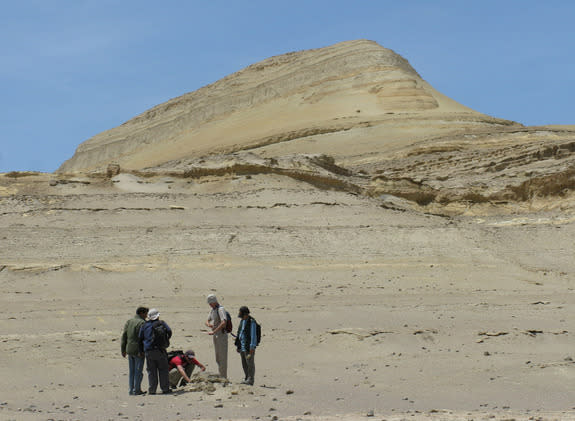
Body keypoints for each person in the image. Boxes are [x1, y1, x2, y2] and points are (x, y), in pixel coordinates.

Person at [139, 308, 173, 394]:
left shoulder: (144, 325)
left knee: (151, 371)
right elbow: (169, 331)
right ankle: (165, 389)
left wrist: (141, 350)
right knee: (163, 370)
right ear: (157, 316)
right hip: (160, 350)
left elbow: (140, 338)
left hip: (149, 350)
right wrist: (165, 341)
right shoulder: (162, 323)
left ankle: (152, 390)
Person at [121, 306, 148, 395]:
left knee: (131, 371)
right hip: (138, 351)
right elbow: (143, 338)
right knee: (138, 371)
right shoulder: (142, 323)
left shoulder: (129, 321)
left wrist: (123, 349)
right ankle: (137, 390)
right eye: (145, 313)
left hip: (129, 349)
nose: (146, 316)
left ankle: (131, 389)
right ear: (142, 313)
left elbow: (124, 336)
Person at [205, 294, 228, 378]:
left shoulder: (221, 309)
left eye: (211, 303)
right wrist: (209, 324)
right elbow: (207, 320)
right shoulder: (213, 310)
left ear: (214, 302)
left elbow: (223, 322)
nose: (210, 305)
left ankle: (224, 377)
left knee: (223, 357)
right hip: (216, 335)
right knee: (218, 357)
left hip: (221, 335)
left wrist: (214, 331)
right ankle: (221, 375)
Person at [235, 306, 258, 385]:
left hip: (249, 347)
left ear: (245, 314)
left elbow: (253, 335)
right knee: (244, 363)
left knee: (250, 364)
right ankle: (246, 377)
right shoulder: (242, 321)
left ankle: (251, 379)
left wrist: (252, 346)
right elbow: (240, 333)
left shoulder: (252, 322)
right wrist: (238, 345)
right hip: (242, 346)